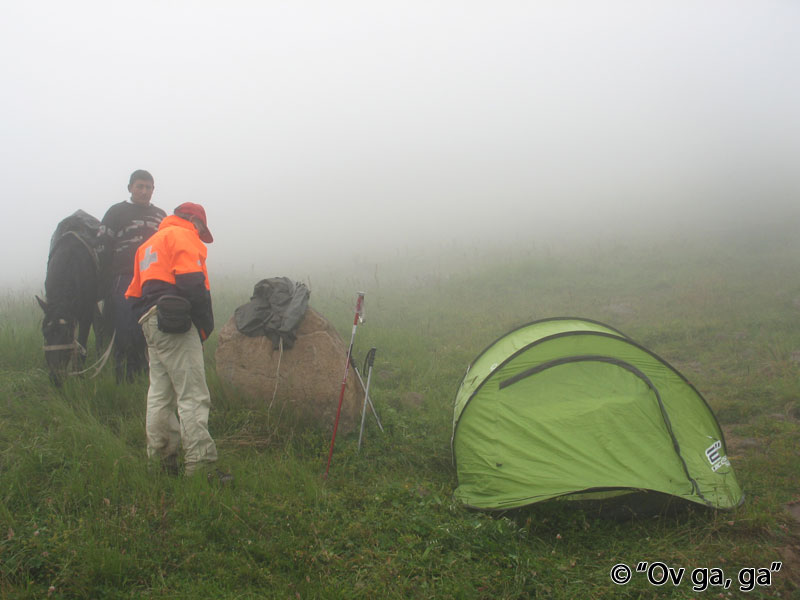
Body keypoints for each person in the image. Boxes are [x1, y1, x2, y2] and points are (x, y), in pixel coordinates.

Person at [125, 202, 219, 477]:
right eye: (200, 229)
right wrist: (204, 326)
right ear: (194, 221)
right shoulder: (183, 234)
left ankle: (161, 462)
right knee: (193, 395)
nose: (199, 234)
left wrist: (150, 319)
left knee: (160, 395)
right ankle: (200, 467)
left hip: (151, 322)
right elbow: (192, 283)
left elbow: (132, 295)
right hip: (176, 323)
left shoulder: (148, 245)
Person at [100, 170, 166, 382]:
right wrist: (108, 279)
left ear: (153, 190)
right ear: (130, 188)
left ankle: (146, 372)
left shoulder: (161, 216)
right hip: (125, 277)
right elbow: (103, 247)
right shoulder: (116, 212)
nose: (144, 191)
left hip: (153, 280)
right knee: (125, 325)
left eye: (148, 187)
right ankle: (123, 376)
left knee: (150, 326)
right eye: (140, 186)